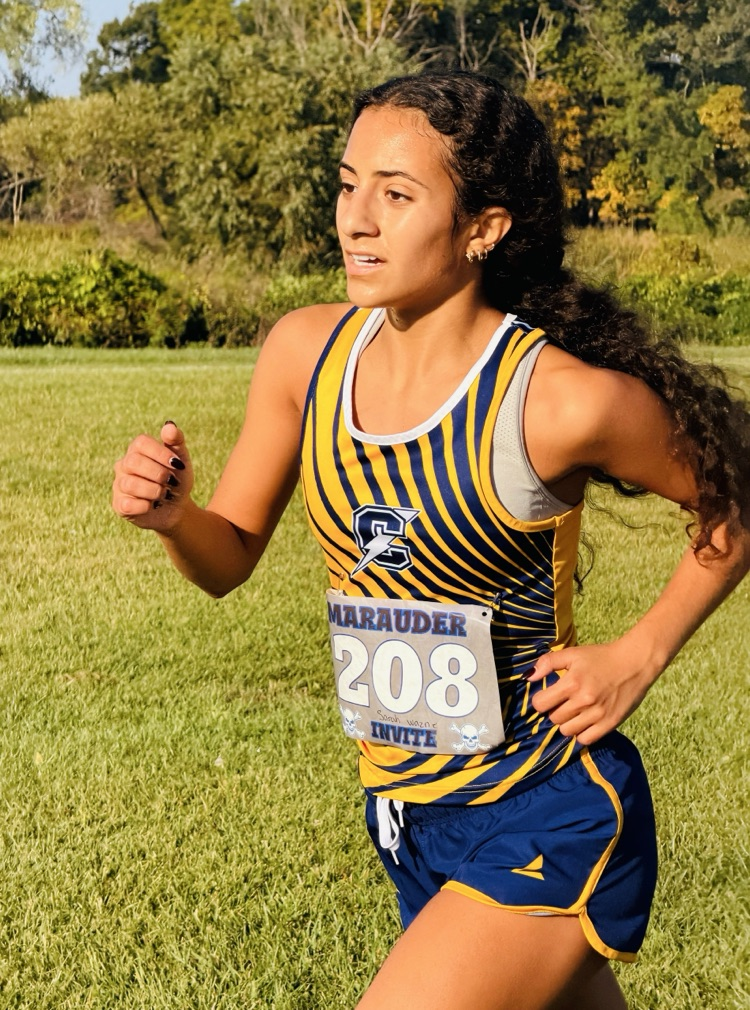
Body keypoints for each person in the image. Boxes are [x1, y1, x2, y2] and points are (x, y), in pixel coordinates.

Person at [112, 71, 750, 1009]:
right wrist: (176, 520)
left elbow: (735, 497)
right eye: (347, 184)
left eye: (397, 194)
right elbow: (228, 557)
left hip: (544, 803)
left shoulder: (556, 400)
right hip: (410, 815)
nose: (356, 218)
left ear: (482, 229)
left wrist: (638, 655)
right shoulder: (304, 353)